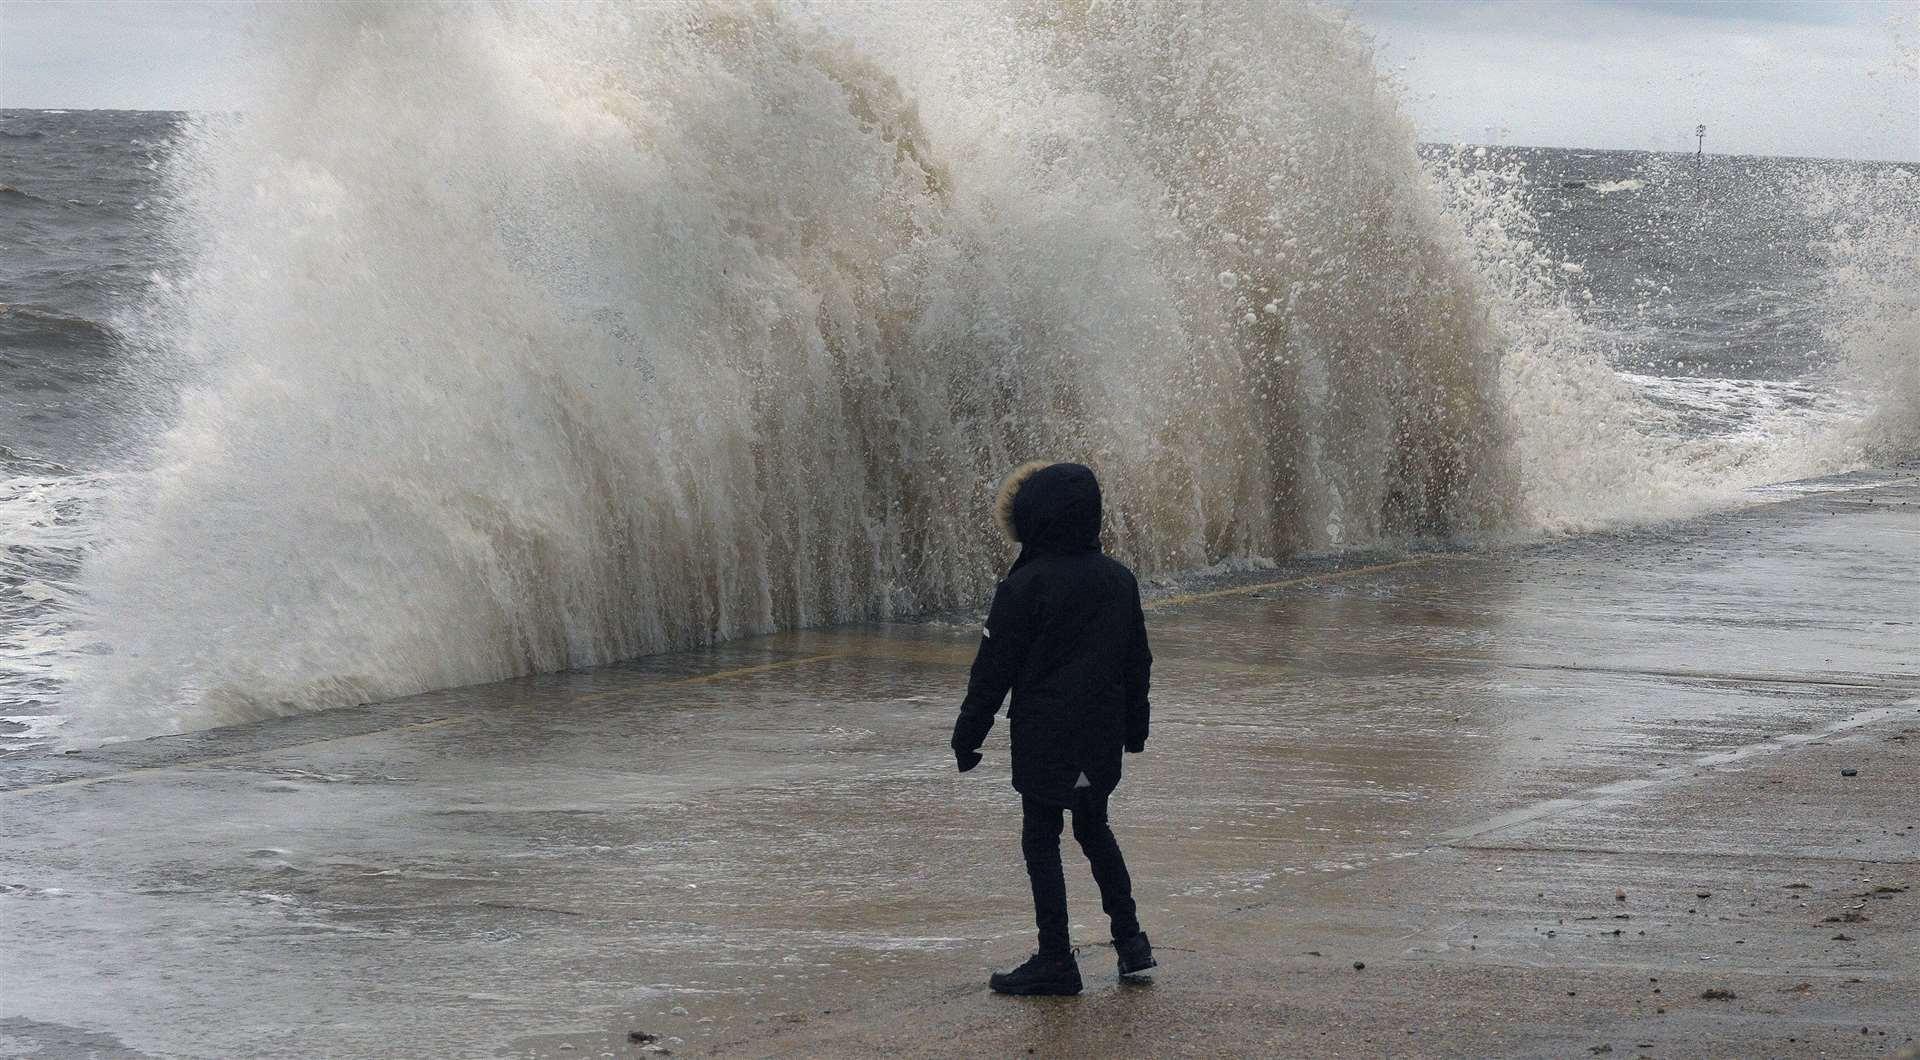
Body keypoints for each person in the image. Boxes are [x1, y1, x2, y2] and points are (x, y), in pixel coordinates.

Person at [950, 461, 1155, 996]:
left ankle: (1056, 958)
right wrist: (1136, 728)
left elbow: (991, 670)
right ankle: (1131, 943)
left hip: (1046, 743)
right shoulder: (1119, 580)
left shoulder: (1025, 587)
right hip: (1098, 744)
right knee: (1093, 828)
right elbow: (1138, 662)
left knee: (1041, 838)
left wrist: (968, 736)